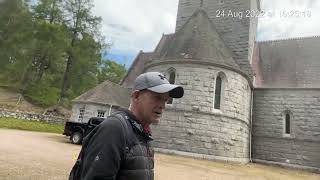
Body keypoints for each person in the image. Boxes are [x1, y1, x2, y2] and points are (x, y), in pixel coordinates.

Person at [69, 72, 184, 180]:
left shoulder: (142, 134)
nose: (162, 106)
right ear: (136, 96)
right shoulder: (115, 129)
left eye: (166, 100)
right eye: (157, 98)